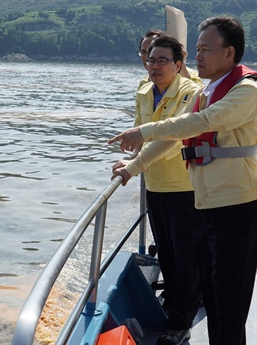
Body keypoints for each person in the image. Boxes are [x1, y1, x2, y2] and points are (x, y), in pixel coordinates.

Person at [109, 17, 257, 345]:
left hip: (237, 208)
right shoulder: (207, 92)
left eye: (206, 50)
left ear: (229, 54)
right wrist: (134, 167)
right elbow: (171, 138)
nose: (198, 57)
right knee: (215, 301)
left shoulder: (247, 92)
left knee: (230, 306)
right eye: (198, 49)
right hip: (205, 206)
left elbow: (199, 123)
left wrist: (143, 131)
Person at [122, 34, 202, 345]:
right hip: (155, 185)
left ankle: (181, 322)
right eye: (150, 59)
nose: (154, 65)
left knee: (187, 256)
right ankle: (173, 307)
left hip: (184, 186)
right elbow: (140, 135)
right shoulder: (144, 90)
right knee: (168, 254)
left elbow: (171, 140)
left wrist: (133, 167)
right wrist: (129, 160)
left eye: (162, 60)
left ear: (179, 64)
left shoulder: (191, 93)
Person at [137, 30, 202, 90]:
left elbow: (196, 95)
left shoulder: (190, 75)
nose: (147, 57)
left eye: (151, 51)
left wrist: (182, 63)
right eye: (143, 52)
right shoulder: (143, 84)